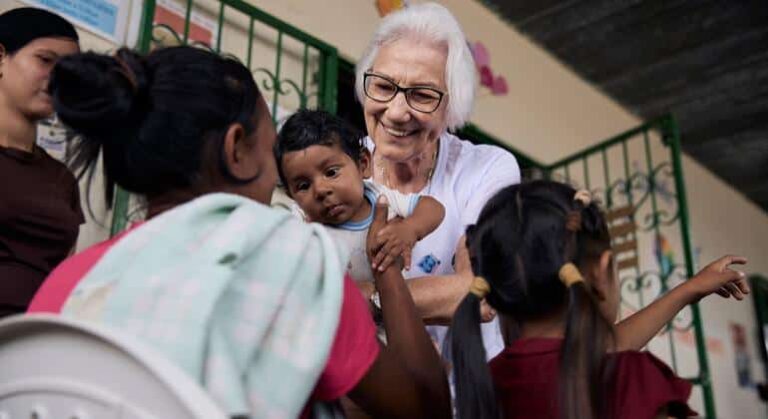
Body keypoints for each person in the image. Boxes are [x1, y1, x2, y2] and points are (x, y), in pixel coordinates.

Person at [27, 46, 451, 419]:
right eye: (270, 152)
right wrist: (388, 266)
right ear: (237, 150)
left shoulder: (67, 284)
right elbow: (426, 409)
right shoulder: (290, 263)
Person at [450, 180, 750, 419]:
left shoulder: (482, 385)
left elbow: (591, 351)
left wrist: (688, 289)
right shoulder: (631, 379)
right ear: (602, 270)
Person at [354, 1, 519, 356]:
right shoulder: (340, 169)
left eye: (422, 95)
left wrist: (362, 301)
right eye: (383, 87)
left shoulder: (486, 169)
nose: (397, 112)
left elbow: (479, 292)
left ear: (451, 108)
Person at [275, 109, 445, 285]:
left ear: (363, 164)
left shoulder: (381, 199)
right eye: (303, 186)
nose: (320, 190)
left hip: (389, 304)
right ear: (291, 195)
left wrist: (410, 229)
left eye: (331, 172)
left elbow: (433, 208)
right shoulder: (301, 223)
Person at [0, 7, 82, 317]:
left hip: (34, 344)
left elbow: (64, 275)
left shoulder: (62, 179)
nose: (57, 78)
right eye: (46, 60)